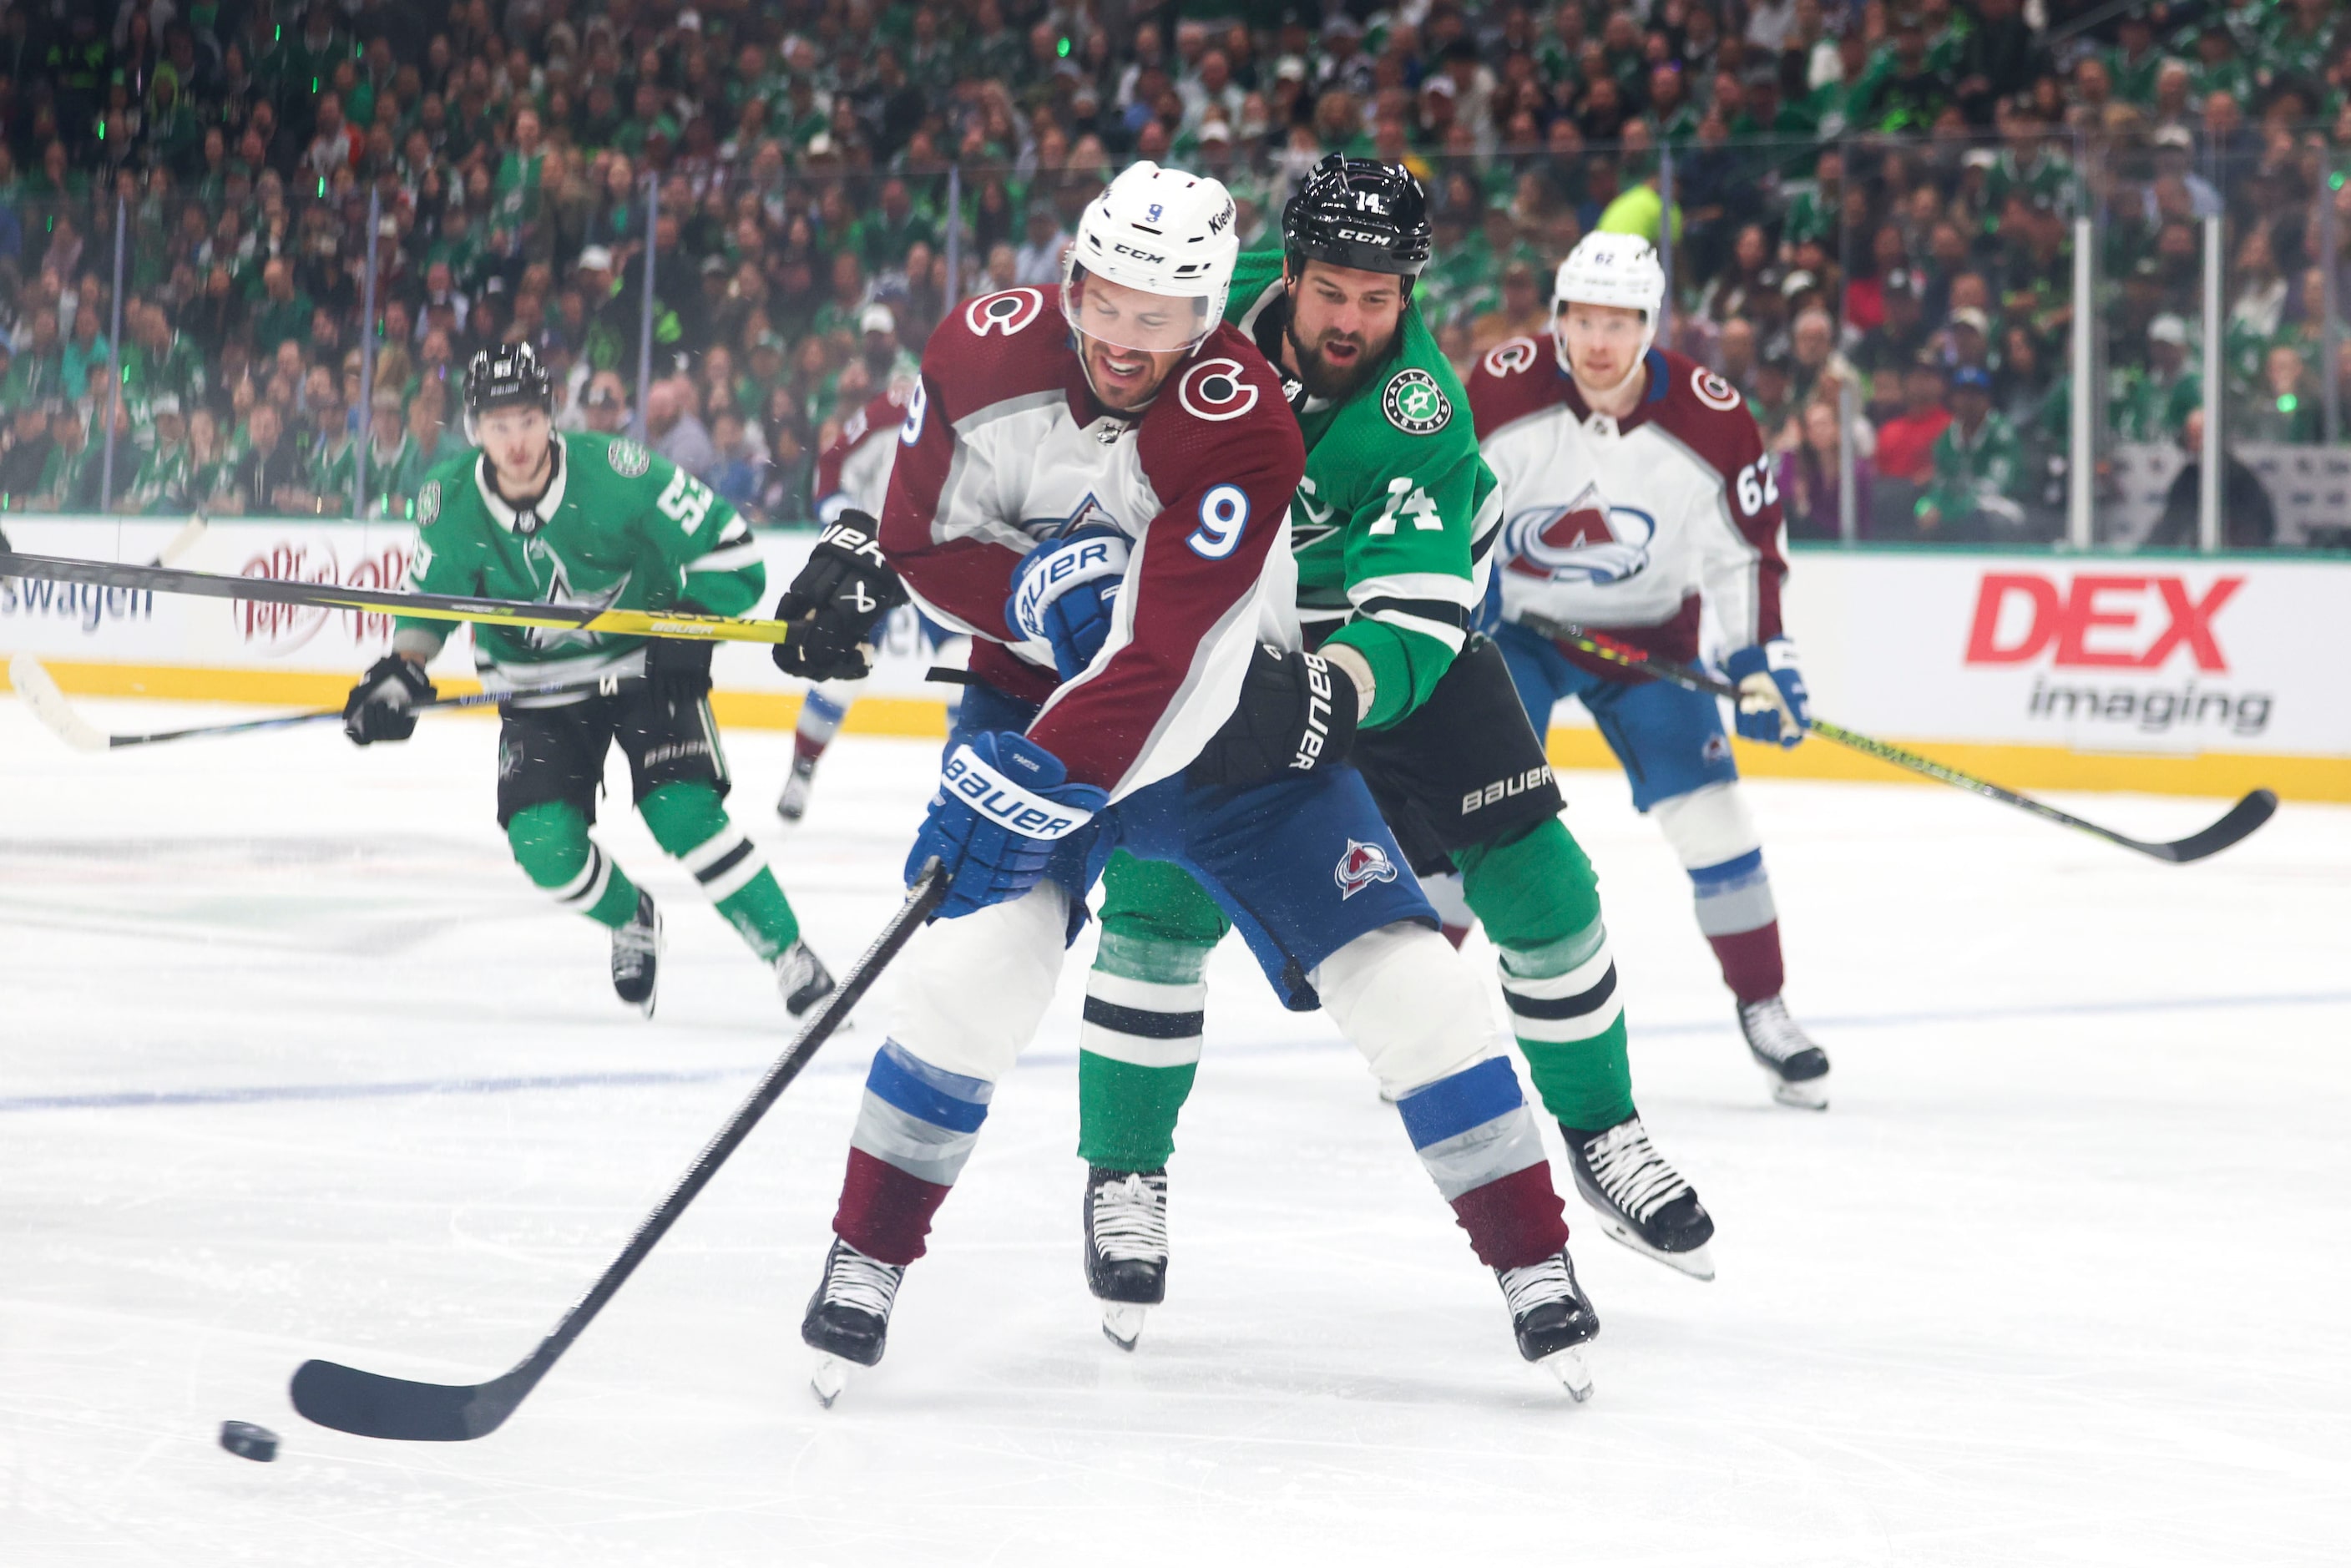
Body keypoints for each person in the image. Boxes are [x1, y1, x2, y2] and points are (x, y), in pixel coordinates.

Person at [769, 162, 1600, 1405]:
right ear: (1073, 280)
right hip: (1038, 712)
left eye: (1160, 315)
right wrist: (949, 580)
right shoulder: (981, 351)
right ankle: (867, 1252)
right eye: (1106, 300)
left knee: (1412, 982)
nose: (1124, 336)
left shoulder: (1245, 420)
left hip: (1223, 730)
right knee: (975, 976)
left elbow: (1165, 655)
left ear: (1211, 314)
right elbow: (923, 535)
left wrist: (1042, 777)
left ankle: (1534, 1258)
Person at [1071, 155, 1719, 1353]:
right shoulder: (1203, 308)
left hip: (1389, 641)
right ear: (1290, 272)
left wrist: (1329, 694)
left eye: (1381, 299)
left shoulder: (1421, 405)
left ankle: (1601, 1131)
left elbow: (1417, 613)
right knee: (1159, 896)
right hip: (1222, 625)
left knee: (1544, 882)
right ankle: (1124, 1176)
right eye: (1333, 294)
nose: (1354, 322)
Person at [341, 343, 837, 1021]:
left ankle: (789, 953)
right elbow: (431, 606)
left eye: (526, 420)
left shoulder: (620, 475)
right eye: (497, 425)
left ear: (551, 415)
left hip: (647, 668)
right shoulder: (449, 501)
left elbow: (736, 555)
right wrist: (399, 673)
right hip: (538, 690)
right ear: (472, 429)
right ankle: (629, 916)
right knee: (543, 844)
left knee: (684, 814)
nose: (515, 442)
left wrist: (687, 625)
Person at [1471, 232, 1832, 1110]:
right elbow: (1449, 511)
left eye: (1619, 323)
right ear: (1556, 320)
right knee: (1467, 801)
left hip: (1649, 645)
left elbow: (1745, 553)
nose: (1598, 342)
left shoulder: (1711, 418)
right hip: (1516, 632)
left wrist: (1758, 659)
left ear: (1649, 325)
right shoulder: (1500, 390)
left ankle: (1765, 1005)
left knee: (1715, 821)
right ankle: (1426, 1014)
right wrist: (1458, 607)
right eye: (1581, 320)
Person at [769, 381, 968, 827]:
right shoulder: (900, 403)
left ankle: (963, 790)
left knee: (963, 668)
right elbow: (833, 464)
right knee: (844, 663)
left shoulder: (991, 410)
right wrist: (851, 526)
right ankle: (801, 770)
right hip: (880, 554)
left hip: (943, 557)